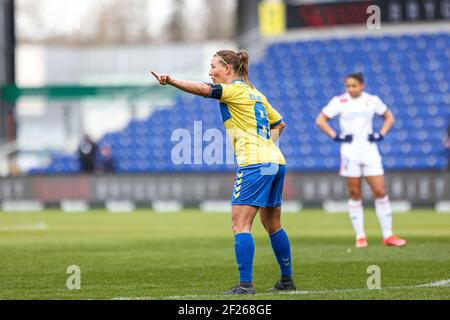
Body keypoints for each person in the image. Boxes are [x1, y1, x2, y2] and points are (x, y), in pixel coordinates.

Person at [151, 50, 295, 295]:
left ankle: (245, 285)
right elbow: (279, 123)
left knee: (240, 224)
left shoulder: (234, 90)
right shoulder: (256, 93)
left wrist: (172, 81)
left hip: (254, 163)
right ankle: (286, 281)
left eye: (213, 66)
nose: (210, 72)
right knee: (273, 224)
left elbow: (203, 89)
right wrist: (266, 145)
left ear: (228, 69)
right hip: (276, 161)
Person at [315, 72, 407, 248]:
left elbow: (389, 117)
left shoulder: (372, 100)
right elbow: (320, 120)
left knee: (380, 191)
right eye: (348, 86)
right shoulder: (339, 101)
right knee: (355, 193)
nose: (350, 89)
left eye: (354, 85)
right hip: (350, 153)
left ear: (362, 85)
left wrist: (380, 134)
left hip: (370, 152)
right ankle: (360, 236)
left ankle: (388, 235)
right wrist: (336, 136)